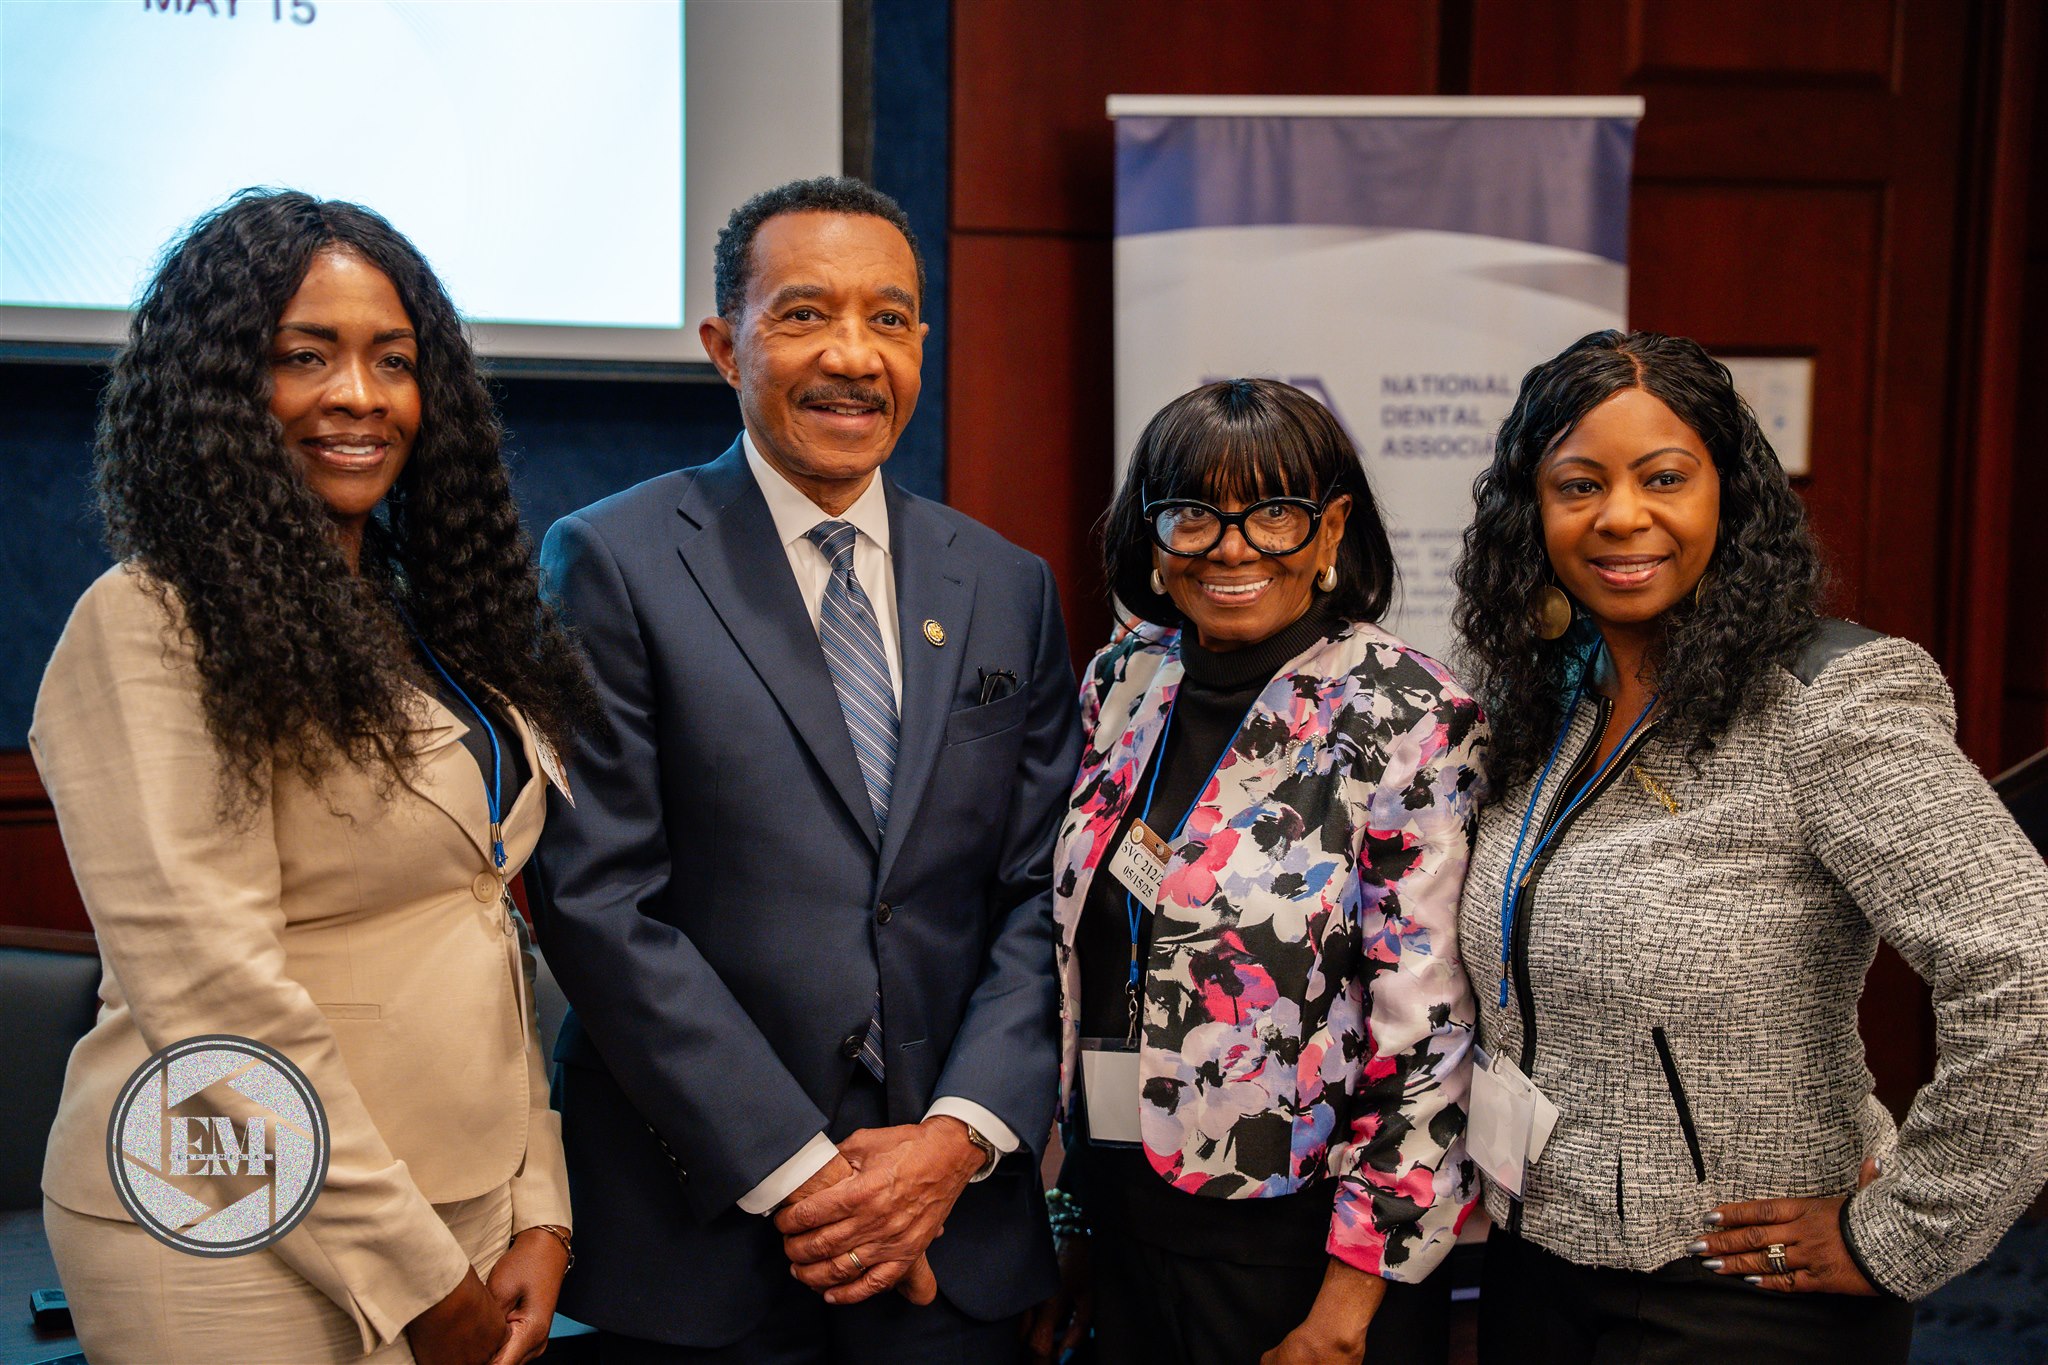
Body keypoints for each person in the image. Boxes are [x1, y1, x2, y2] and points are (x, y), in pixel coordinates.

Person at [30, 190, 596, 1364]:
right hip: (227, 1223)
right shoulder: (150, 623)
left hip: (466, 1202)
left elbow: (491, 927)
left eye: (393, 361)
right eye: (305, 357)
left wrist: (538, 1203)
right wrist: (414, 1280)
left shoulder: (425, 621)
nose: (358, 396)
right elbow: (213, 1003)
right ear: (221, 390)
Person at [527, 175, 1082, 1363]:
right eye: (802, 315)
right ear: (725, 344)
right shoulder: (612, 563)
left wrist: (952, 1143)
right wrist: (804, 1175)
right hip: (704, 1237)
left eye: (888, 318)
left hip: (953, 1233)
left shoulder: (1005, 585)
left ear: (921, 344)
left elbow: (1045, 893)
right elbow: (596, 900)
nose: (853, 355)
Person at [1450, 329, 2048, 1363]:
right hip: (1536, 1264)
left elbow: (2023, 964)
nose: (1619, 515)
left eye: (1663, 477)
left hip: (1739, 1292)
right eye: (1577, 484)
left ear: (1727, 494)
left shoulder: (1826, 704)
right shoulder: (1548, 699)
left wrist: (1905, 1229)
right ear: (1530, 513)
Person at [1027, 379, 1485, 1365]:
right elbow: (1093, 960)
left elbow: (1429, 1032)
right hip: (1121, 1217)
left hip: (1296, 1251)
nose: (1231, 548)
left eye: (1271, 513)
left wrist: (1348, 1306)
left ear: (1329, 531)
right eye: (1192, 514)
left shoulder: (1405, 712)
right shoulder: (1124, 679)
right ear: (1151, 537)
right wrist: (1070, 1218)